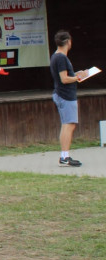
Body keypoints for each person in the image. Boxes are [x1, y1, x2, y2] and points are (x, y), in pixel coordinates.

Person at [50, 30, 88, 167]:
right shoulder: (61, 58)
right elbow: (64, 79)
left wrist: (78, 73)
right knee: (68, 124)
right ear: (68, 42)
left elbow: (66, 75)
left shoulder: (56, 56)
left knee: (68, 124)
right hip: (65, 95)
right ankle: (64, 156)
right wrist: (78, 78)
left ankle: (64, 155)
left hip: (63, 94)